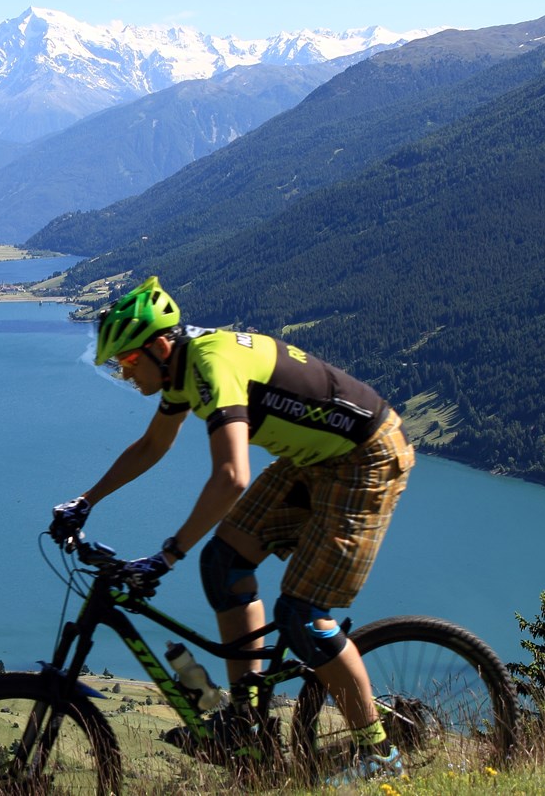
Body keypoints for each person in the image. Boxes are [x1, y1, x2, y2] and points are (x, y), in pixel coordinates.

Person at [49, 276, 415, 783]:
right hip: (313, 460)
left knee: (303, 615)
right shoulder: (180, 368)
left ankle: (380, 755)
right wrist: (85, 502)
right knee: (223, 563)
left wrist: (167, 555)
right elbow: (152, 446)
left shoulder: (209, 364)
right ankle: (247, 722)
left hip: (365, 458)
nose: (124, 372)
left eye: (128, 361)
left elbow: (232, 477)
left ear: (158, 346)